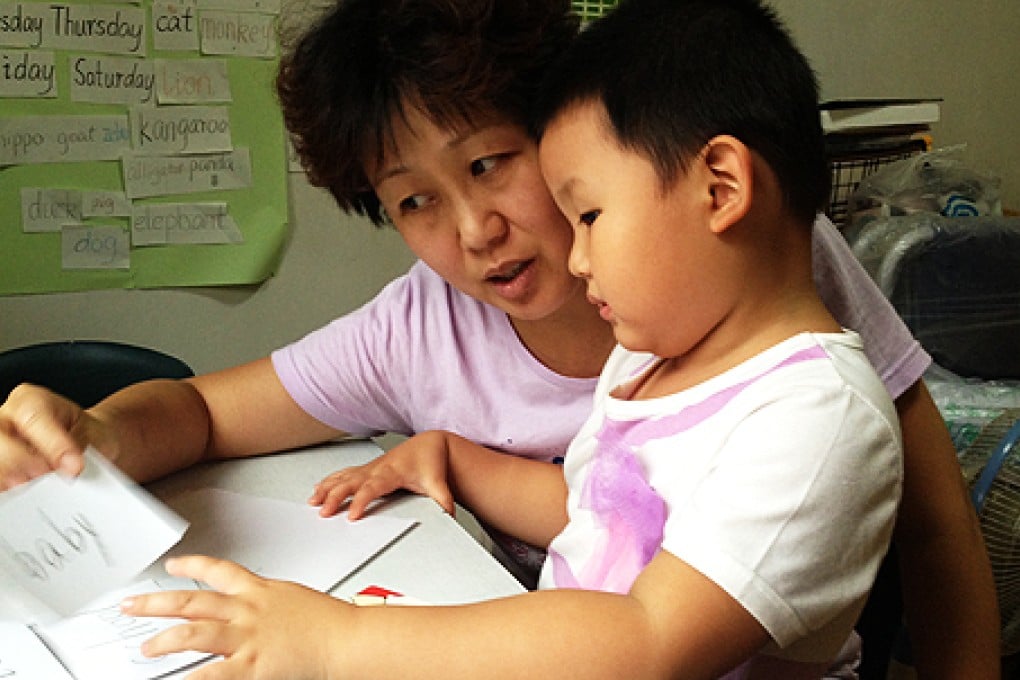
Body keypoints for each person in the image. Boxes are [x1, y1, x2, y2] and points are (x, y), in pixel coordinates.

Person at [0, 0, 998, 676]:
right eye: (413, 201)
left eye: (490, 164)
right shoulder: (644, 343)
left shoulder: (766, 298)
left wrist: (347, 638)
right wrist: (88, 433)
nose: (472, 231)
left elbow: (656, 631)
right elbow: (604, 500)